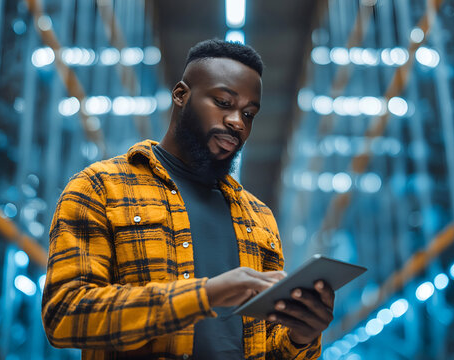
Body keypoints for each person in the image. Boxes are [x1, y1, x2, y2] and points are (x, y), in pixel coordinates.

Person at [42, 39, 334, 359]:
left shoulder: (258, 216)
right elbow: (65, 316)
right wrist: (205, 295)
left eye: (249, 113)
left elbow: (269, 348)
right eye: (224, 102)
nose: (237, 121)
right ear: (181, 95)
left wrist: (302, 337)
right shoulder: (99, 188)